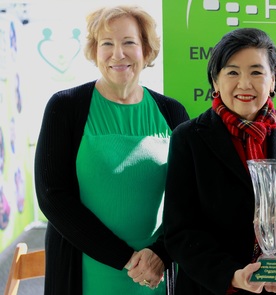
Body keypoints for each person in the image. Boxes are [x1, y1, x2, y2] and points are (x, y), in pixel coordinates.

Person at [34, 5, 189, 294]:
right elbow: (52, 196)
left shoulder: (172, 112)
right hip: (86, 272)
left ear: (146, 48)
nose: (118, 54)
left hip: (153, 274)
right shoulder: (65, 107)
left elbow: (188, 199)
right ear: (94, 51)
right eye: (107, 43)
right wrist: (127, 259)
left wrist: (161, 254)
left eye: (129, 42)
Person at [163, 28, 276, 295]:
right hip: (213, 288)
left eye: (256, 72)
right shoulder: (189, 138)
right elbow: (180, 231)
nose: (244, 84)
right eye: (232, 72)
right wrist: (232, 276)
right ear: (215, 82)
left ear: (273, 80)